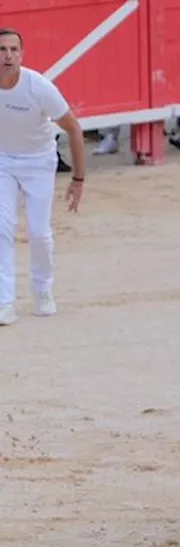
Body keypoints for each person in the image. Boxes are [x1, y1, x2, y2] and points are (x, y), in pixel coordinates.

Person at [0, 27, 85, 326]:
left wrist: (78, 179)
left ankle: (43, 289)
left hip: (38, 162)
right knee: (1, 226)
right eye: (2, 50)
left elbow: (73, 128)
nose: (7, 56)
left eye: (13, 50)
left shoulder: (39, 87)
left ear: (22, 55)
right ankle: (4, 301)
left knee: (39, 232)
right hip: (2, 161)